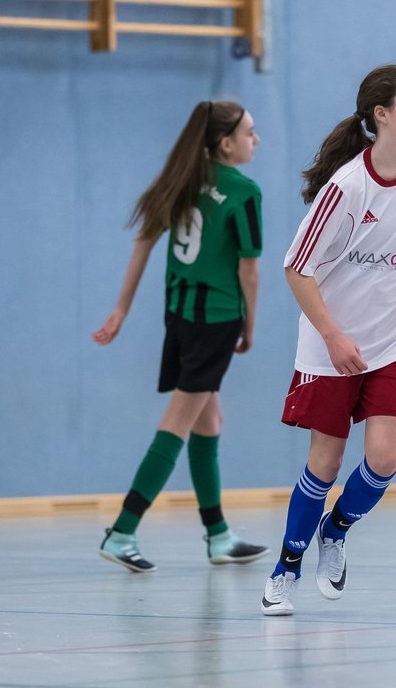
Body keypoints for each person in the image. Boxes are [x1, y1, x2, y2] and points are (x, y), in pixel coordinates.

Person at [261, 65, 396, 615]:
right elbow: (296, 268)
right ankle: (285, 567)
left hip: (392, 341)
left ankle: (335, 531)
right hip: (332, 347)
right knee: (325, 463)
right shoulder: (346, 188)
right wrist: (333, 335)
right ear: (381, 115)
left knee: (384, 460)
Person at [94, 100, 269, 572]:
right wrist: (250, 323)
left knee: (209, 424)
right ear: (226, 143)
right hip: (215, 319)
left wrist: (121, 310)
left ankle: (218, 535)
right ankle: (123, 530)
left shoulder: (183, 179)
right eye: (250, 133)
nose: (257, 140)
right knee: (177, 423)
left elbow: (143, 243)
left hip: (178, 316)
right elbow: (248, 270)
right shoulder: (243, 191)